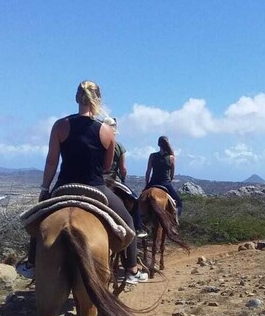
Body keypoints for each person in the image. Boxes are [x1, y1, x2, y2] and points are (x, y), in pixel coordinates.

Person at [16, 80, 148, 284]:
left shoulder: (60, 125)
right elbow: (105, 168)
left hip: (64, 186)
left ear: (77, 98)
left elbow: (52, 162)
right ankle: (131, 269)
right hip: (96, 187)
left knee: (40, 220)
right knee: (129, 223)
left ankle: (31, 264)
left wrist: (45, 188)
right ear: (98, 99)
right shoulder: (107, 131)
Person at [102, 117, 147, 238]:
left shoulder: (96, 144)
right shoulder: (119, 147)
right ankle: (138, 228)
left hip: (96, 179)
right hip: (113, 181)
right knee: (135, 200)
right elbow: (123, 169)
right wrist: (123, 178)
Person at [144, 136, 183, 218]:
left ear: (158, 144)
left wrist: (147, 184)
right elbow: (172, 175)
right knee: (179, 203)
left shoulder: (152, 156)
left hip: (153, 182)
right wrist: (169, 181)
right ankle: (175, 219)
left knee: (138, 201)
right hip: (165, 183)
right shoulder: (171, 158)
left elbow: (148, 172)